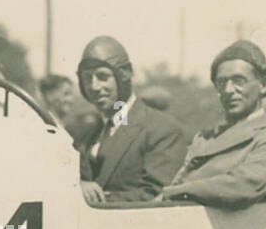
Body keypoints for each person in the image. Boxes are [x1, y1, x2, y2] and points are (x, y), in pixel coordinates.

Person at [159, 40, 266, 208]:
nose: (228, 90)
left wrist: (174, 192)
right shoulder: (205, 138)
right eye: (222, 82)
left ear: (263, 86)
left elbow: (242, 185)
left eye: (239, 81)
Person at [74, 35, 187, 204]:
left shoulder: (162, 129)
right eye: (87, 78)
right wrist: (78, 187)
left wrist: (90, 198)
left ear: (124, 75)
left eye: (102, 76)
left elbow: (156, 195)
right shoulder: (85, 136)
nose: (94, 86)